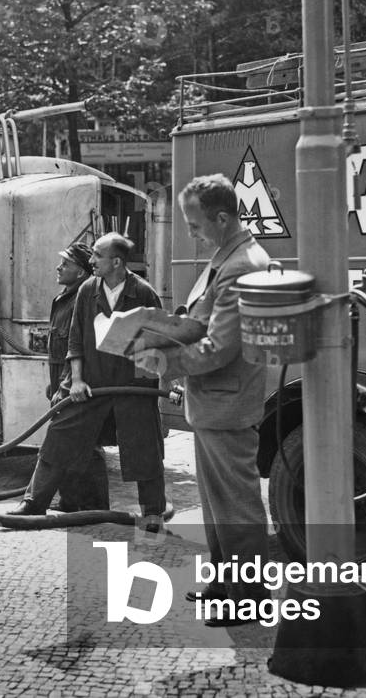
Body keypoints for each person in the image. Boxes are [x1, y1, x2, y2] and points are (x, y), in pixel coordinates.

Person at [138, 174, 271, 626]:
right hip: (216, 400)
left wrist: (165, 360)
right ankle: (226, 583)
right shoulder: (228, 255)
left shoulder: (241, 265)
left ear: (220, 217)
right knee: (216, 501)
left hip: (227, 399)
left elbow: (221, 347)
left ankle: (250, 597)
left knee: (236, 503)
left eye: (194, 225)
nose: (191, 234)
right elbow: (207, 319)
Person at [10, 232, 166, 521]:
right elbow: (76, 340)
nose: (91, 260)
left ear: (116, 262)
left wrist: (149, 385)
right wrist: (77, 381)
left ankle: (153, 514)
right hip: (90, 384)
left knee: (144, 449)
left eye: (97, 255)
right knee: (59, 436)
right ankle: (34, 502)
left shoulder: (143, 293)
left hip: (132, 388)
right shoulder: (87, 291)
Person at [47, 242, 109, 512]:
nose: (59, 267)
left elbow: (78, 347)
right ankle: (73, 502)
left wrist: (71, 382)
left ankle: (94, 506)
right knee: (70, 444)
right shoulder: (63, 298)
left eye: (66, 264)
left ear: (82, 273)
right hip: (62, 382)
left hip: (75, 384)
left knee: (85, 443)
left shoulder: (80, 303)